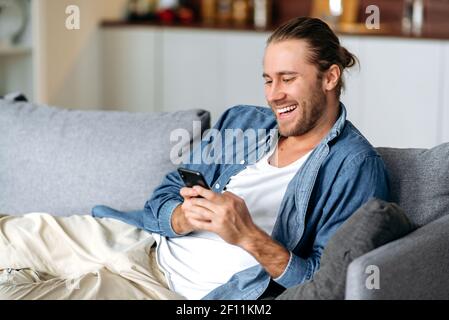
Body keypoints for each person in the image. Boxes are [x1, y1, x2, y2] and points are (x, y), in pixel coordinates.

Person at [0, 17, 389, 300]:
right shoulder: (245, 124)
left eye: (288, 79)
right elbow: (166, 192)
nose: (274, 95)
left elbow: (328, 284)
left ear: (330, 77)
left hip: (171, 292)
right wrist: (182, 217)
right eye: (268, 80)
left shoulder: (353, 167)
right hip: (142, 243)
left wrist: (248, 235)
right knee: (12, 234)